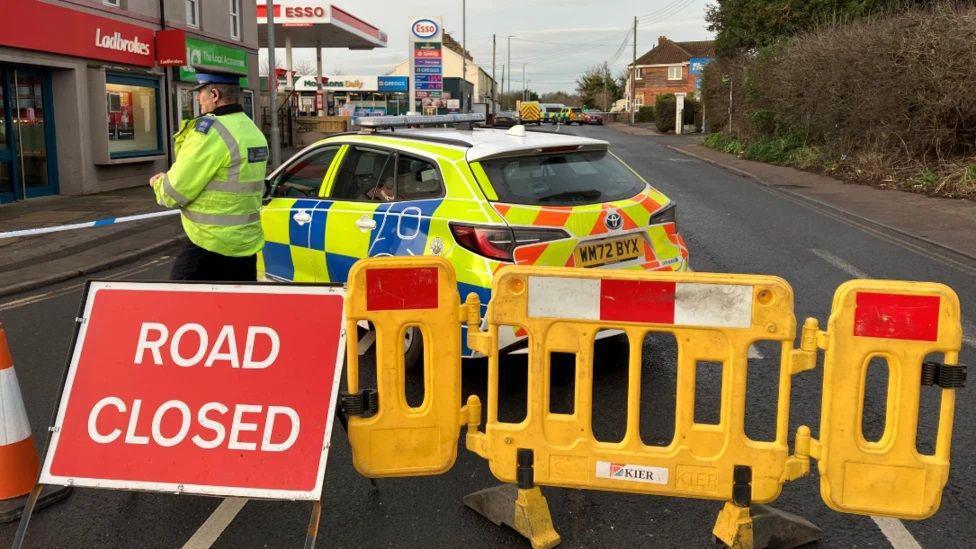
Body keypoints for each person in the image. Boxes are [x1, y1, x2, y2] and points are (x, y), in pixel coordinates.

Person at [150, 67, 268, 281]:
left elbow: (173, 192)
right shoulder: (252, 130)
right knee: (238, 310)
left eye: (201, 93)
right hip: (245, 246)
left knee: (180, 308)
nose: (198, 99)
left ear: (214, 95)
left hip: (208, 244)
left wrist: (159, 183)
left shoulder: (210, 132)